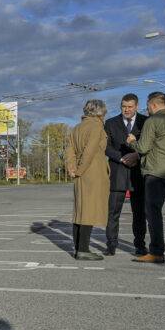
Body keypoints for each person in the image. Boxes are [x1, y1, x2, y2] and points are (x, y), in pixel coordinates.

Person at [127, 92, 165, 263]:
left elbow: (143, 148)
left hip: (156, 173)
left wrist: (132, 141)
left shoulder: (153, 121)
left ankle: (156, 251)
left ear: (154, 105)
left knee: (154, 212)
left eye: (148, 107)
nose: (148, 109)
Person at [66, 100, 110, 260]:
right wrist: (80, 170)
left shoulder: (77, 128)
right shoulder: (97, 127)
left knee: (79, 211)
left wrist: (72, 168)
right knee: (89, 212)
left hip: (79, 173)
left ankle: (78, 249)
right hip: (92, 172)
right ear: (101, 113)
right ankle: (83, 249)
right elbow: (90, 151)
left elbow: (70, 149)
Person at [104, 93, 147, 256]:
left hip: (139, 175)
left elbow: (150, 144)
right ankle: (111, 245)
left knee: (139, 213)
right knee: (113, 212)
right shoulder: (110, 123)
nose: (126, 110)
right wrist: (122, 158)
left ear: (137, 106)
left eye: (130, 107)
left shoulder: (146, 122)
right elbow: (106, 147)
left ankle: (140, 245)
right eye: (123, 106)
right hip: (117, 173)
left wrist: (136, 155)